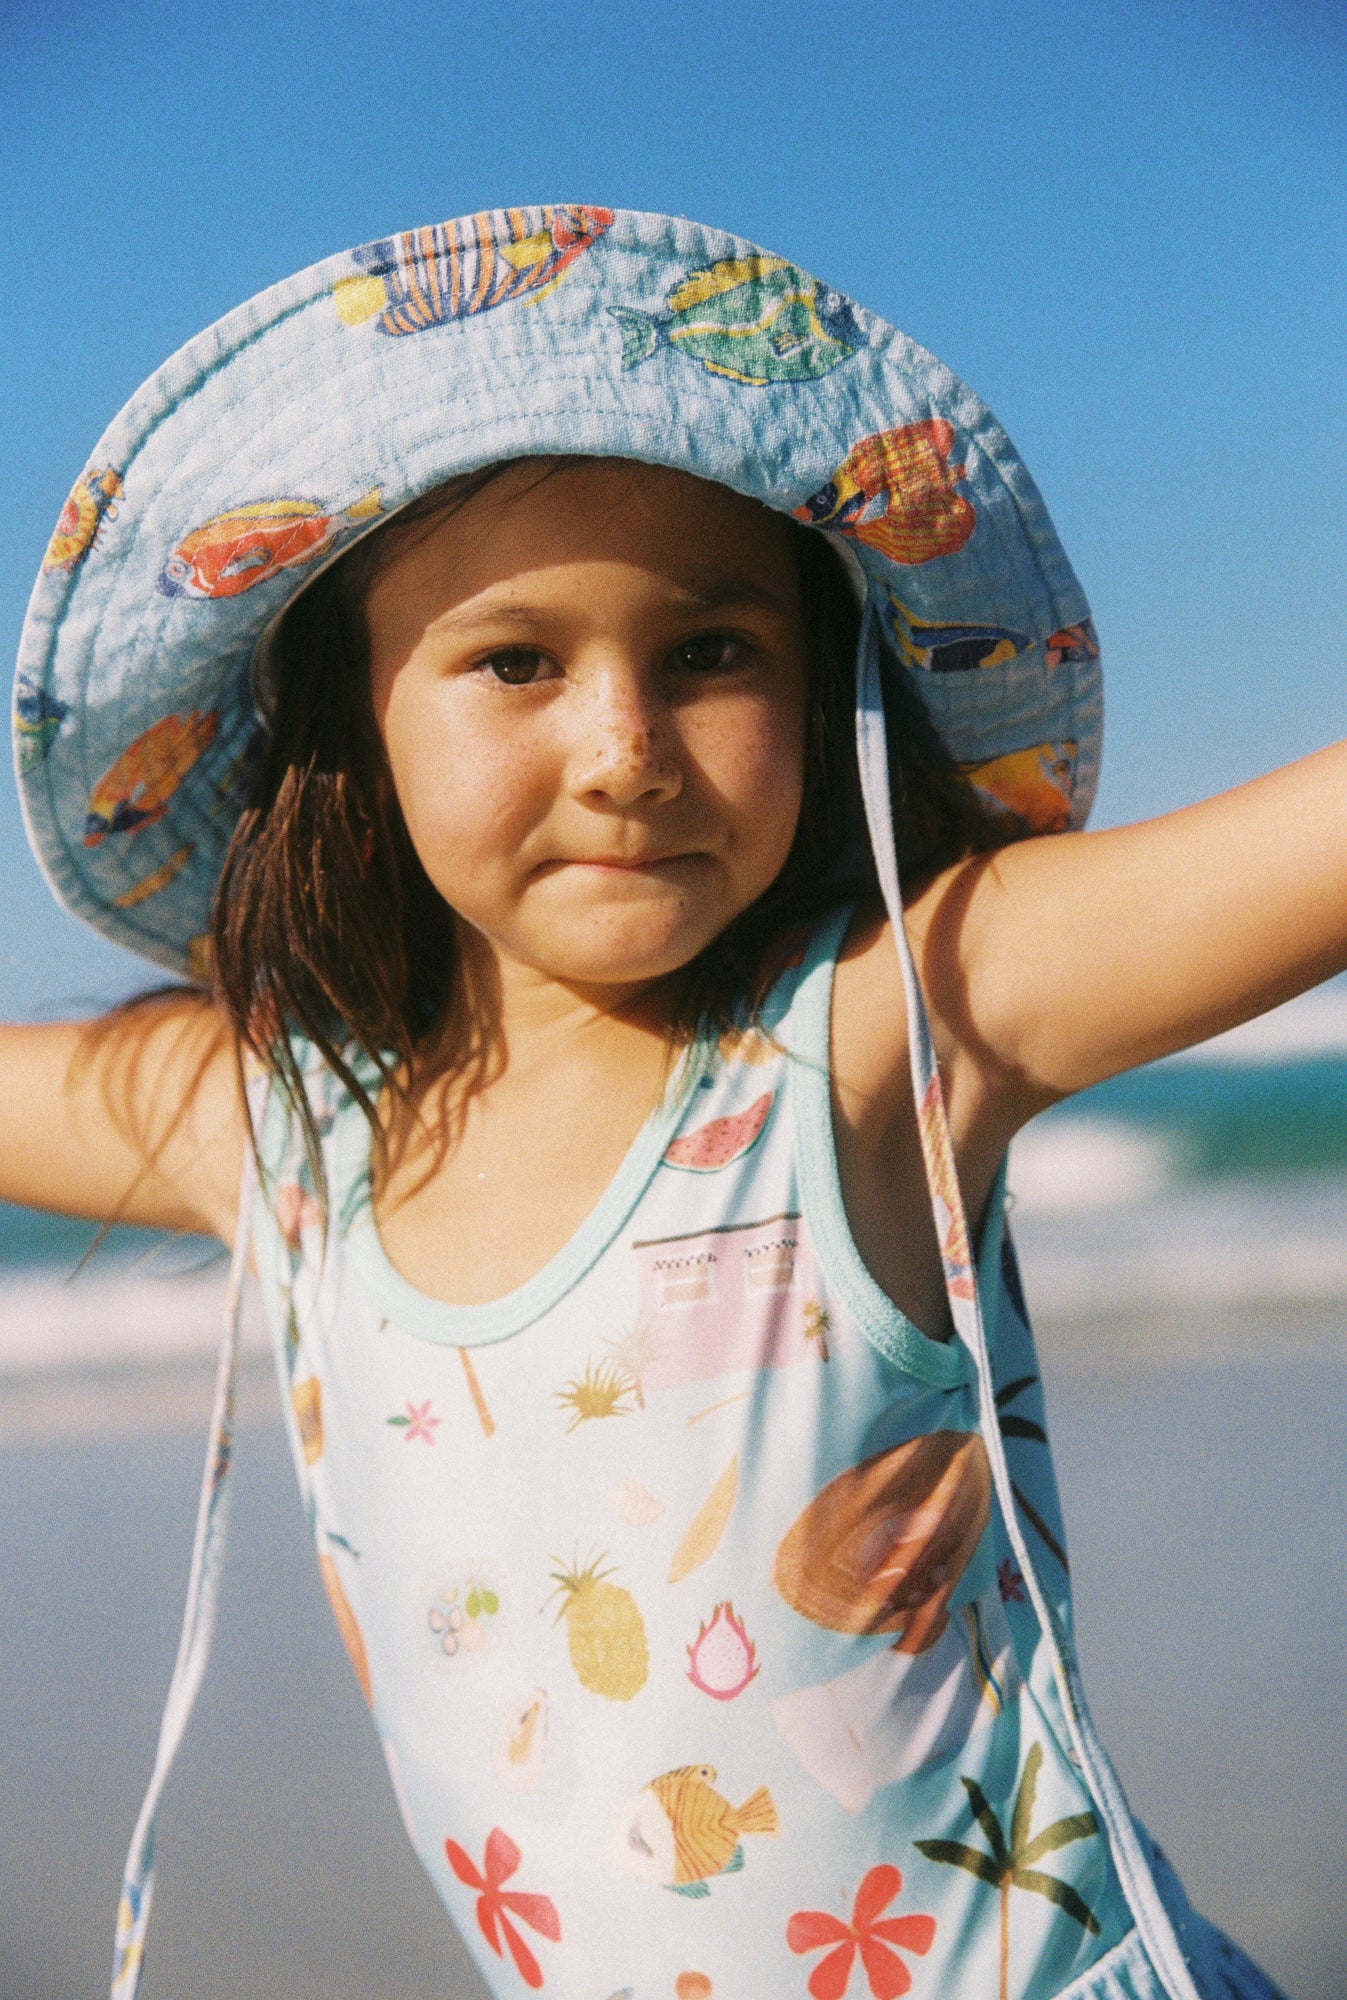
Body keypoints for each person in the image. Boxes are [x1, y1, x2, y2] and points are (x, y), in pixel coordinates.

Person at [8, 205, 1318, 2000]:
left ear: (828, 683)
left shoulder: (879, 1032)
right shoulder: (287, 1134)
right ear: (351, 719)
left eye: (711, 652)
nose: (625, 747)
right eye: (517, 662)